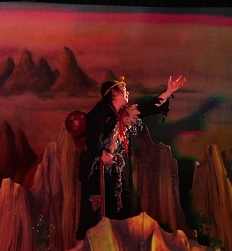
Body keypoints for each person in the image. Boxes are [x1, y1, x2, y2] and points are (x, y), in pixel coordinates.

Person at [76, 75, 187, 240]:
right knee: (95, 208)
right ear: (114, 93)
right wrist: (101, 154)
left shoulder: (123, 115)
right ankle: (87, 246)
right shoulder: (101, 110)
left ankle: (117, 242)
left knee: (123, 201)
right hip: (95, 169)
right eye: (123, 89)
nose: (127, 92)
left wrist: (168, 91)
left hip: (111, 167)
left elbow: (147, 108)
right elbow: (93, 135)